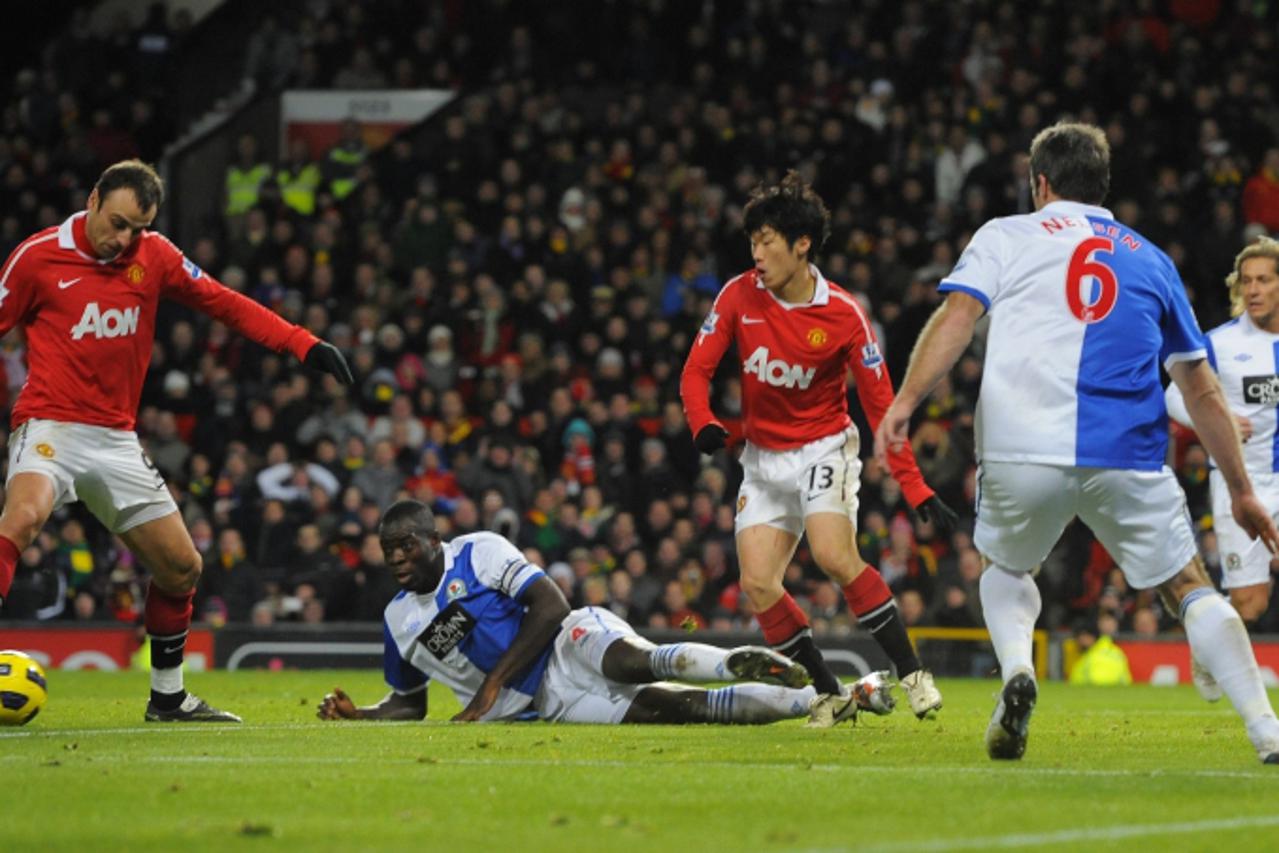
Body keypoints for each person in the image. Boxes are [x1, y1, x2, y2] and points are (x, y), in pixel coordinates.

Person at [876, 122, 1279, 764]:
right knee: (1188, 586)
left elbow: (957, 318)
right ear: (1103, 186)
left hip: (1018, 448)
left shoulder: (1004, 235)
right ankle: (1267, 733)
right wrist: (1242, 491)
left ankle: (1016, 670)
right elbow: (1201, 391)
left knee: (1006, 567)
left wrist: (903, 404)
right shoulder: (1150, 258)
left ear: (1040, 184)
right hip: (1126, 451)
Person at [0, 160, 354, 722]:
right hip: (51, 425)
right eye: (117, 223)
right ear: (92, 200)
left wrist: (302, 344)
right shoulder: (38, 257)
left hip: (116, 438)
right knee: (22, 518)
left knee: (182, 568)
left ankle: (167, 697)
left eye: (138, 229)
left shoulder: (155, 256)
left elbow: (224, 302)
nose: (125, 239)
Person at [679, 171, 957, 727]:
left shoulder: (844, 315)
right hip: (761, 459)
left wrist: (914, 484)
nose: (756, 254)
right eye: (752, 242)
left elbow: (881, 408)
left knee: (833, 556)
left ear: (801, 245)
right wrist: (703, 421)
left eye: (767, 242)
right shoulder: (738, 296)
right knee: (757, 583)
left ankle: (912, 673)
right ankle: (831, 693)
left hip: (823, 448)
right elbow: (694, 371)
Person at [316, 500, 896, 725]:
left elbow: (550, 605)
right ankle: (843, 696)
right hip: (547, 703)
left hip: (566, 639)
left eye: (406, 547)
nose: (396, 559)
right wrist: (359, 716)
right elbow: (408, 703)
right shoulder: (399, 620)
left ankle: (733, 663)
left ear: (433, 540)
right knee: (682, 710)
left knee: (634, 662)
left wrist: (491, 683)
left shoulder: (481, 550)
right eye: (388, 550)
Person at [1164, 238, 1279, 635]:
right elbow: (1173, 396)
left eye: (1263, 280)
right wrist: (1218, 417)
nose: (1253, 290)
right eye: (1247, 281)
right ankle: (1208, 640)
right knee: (1251, 603)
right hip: (1241, 481)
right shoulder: (1220, 343)